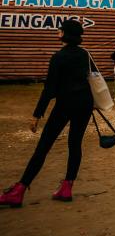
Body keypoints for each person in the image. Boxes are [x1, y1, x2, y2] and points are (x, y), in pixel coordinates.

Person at [0, 20, 95, 207]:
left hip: (65, 105)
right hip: (84, 104)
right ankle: (67, 187)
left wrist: (37, 114)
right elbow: (93, 78)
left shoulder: (58, 57)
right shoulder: (84, 54)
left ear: (64, 34)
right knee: (75, 144)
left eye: (60, 29)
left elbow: (49, 89)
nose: (57, 31)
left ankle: (19, 191)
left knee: (43, 147)